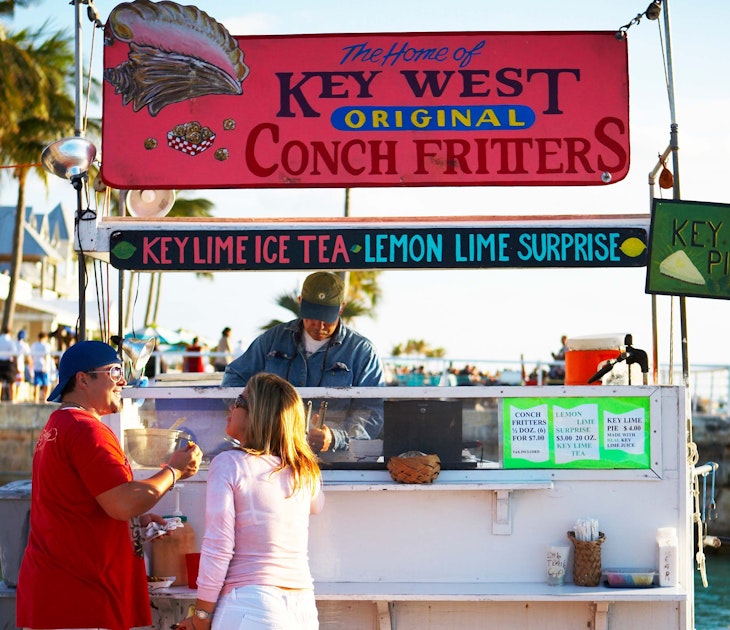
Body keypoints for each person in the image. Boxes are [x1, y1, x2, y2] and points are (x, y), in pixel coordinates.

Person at [16, 340, 203, 630]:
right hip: (82, 599)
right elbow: (122, 502)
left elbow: (80, 503)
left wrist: (133, 524)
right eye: (114, 371)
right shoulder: (86, 430)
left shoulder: (58, 425)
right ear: (83, 379)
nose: (123, 380)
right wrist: (175, 471)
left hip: (57, 595)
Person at [175, 372, 324, 630]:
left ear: (258, 414)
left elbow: (218, 547)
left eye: (239, 400)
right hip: (302, 609)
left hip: (250, 606)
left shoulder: (229, 464)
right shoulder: (304, 471)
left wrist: (201, 616)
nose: (231, 406)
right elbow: (316, 505)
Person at [223, 271, 385, 453]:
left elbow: (372, 410)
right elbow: (234, 378)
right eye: (313, 315)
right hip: (272, 455)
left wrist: (335, 438)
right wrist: (256, 419)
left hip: (332, 463)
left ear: (341, 308)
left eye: (326, 317)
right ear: (300, 302)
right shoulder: (272, 339)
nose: (319, 325)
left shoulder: (363, 352)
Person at [29, 331, 53, 403]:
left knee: (37, 384)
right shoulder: (46, 345)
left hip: (36, 366)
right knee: (47, 384)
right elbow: (46, 356)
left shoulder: (34, 345)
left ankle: (36, 400)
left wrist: (31, 366)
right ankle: (45, 399)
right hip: (44, 367)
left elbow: (31, 356)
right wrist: (46, 366)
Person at [0, 326, 17, 402]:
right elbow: (14, 353)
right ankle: (12, 399)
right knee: (11, 382)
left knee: (0, 382)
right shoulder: (11, 341)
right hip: (8, 363)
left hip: (0, 362)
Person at [15, 330, 31, 402]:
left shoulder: (14, 343)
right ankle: (16, 397)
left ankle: (14, 397)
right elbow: (28, 357)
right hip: (20, 366)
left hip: (13, 365)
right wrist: (31, 365)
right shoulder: (24, 345)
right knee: (19, 383)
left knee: (13, 383)